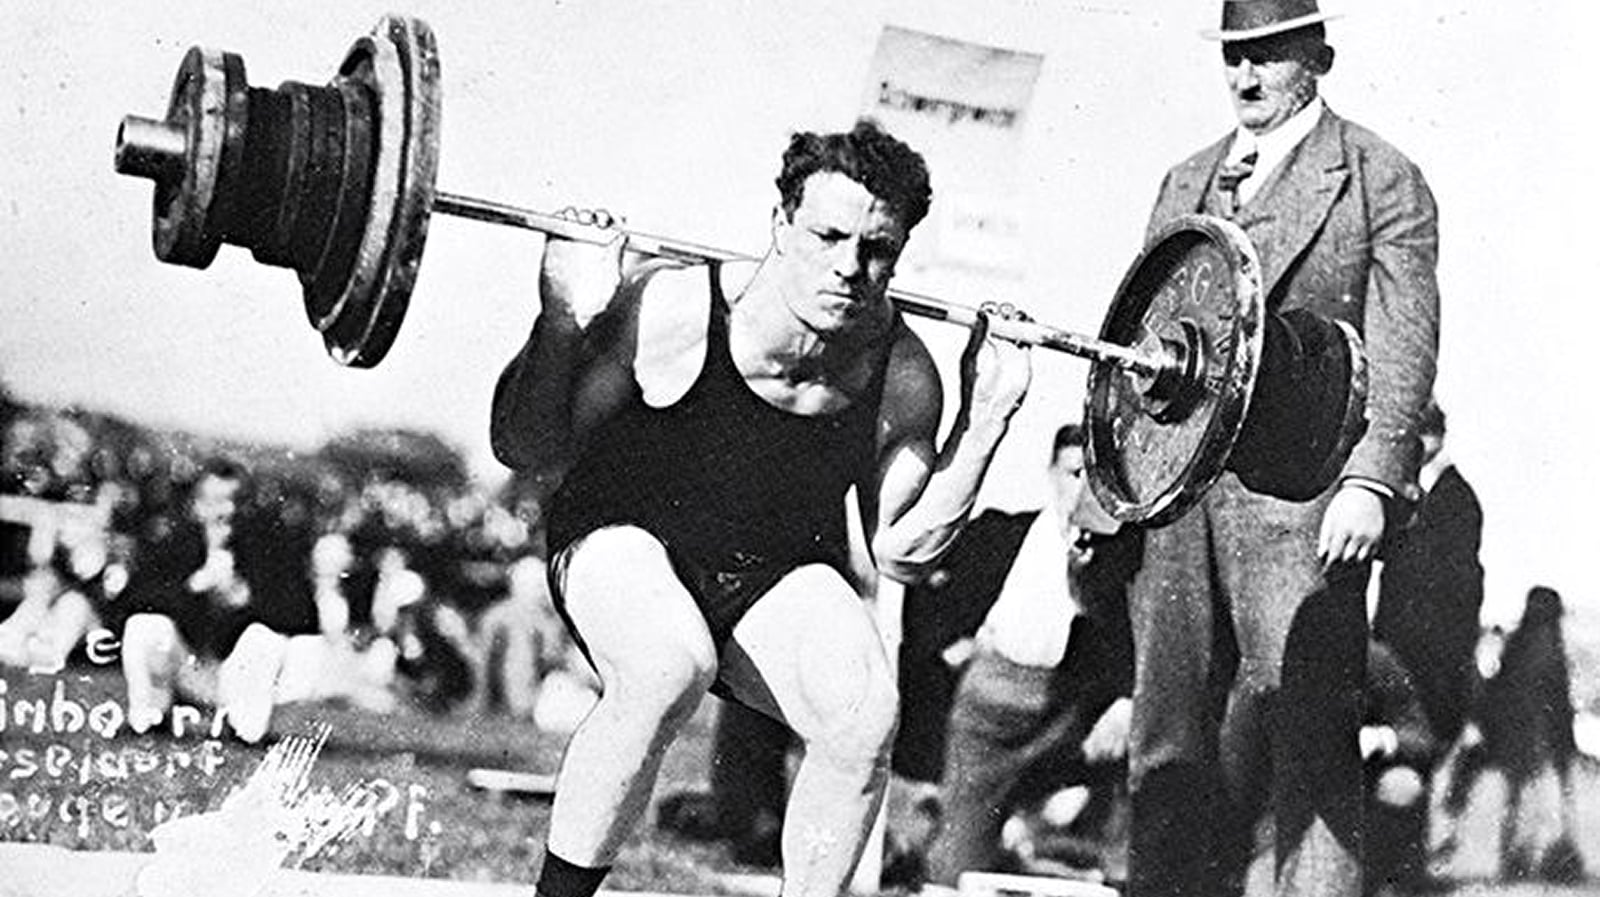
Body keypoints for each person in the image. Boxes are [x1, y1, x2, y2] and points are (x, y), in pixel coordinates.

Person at [490, 118, 1031, 897]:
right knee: (666, 665)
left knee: (863, 713)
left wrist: (986, 423)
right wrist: (559, 320)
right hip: (621, 534)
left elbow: (904, 551)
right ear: (780, 224)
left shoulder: (903, 374)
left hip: (766, 566)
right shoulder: (674, 308)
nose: (849, 267)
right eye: (828, 235)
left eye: (876, 249)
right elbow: (527, 447)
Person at [1126, 2, 1441, 895]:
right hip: (1179, 501)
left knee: (1309, 744)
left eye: (1269, 55)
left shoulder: (1381, 177)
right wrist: (1106, 497)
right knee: (1168, 745)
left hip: (1306, 503)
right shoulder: (1185, 180)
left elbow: (1404, 342)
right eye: (1234, 58)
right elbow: (1140, 342)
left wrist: (1372, 480)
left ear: (1321, 56)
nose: (1247, 77)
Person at [925, 423, 1142, 887]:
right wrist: (953, 648)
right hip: (993, 706)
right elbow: (928, 591)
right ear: (1051, 473)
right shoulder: (1001, 533)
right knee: (954, 869)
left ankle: (1098, 865)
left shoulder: (1125, 554)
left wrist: (1125, 702)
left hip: (1077, 712)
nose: (1081, 487)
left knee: (1146, 766)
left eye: (1095, 476)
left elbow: (1139, 636)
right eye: (1072, 473)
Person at [114, 458, 325, 743]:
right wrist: (194, 586)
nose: (227, 511)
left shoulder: (268, 549)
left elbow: (304, 615)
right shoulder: (176, 542)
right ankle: (150, 716)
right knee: (146, 626)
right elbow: (130, 604)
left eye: (235, 500)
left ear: (248, 505)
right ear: (197, 506)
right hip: (189, 668)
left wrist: (246, 599)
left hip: (238, 677)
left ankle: (245, 728)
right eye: (215, 501)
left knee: (264, 638)